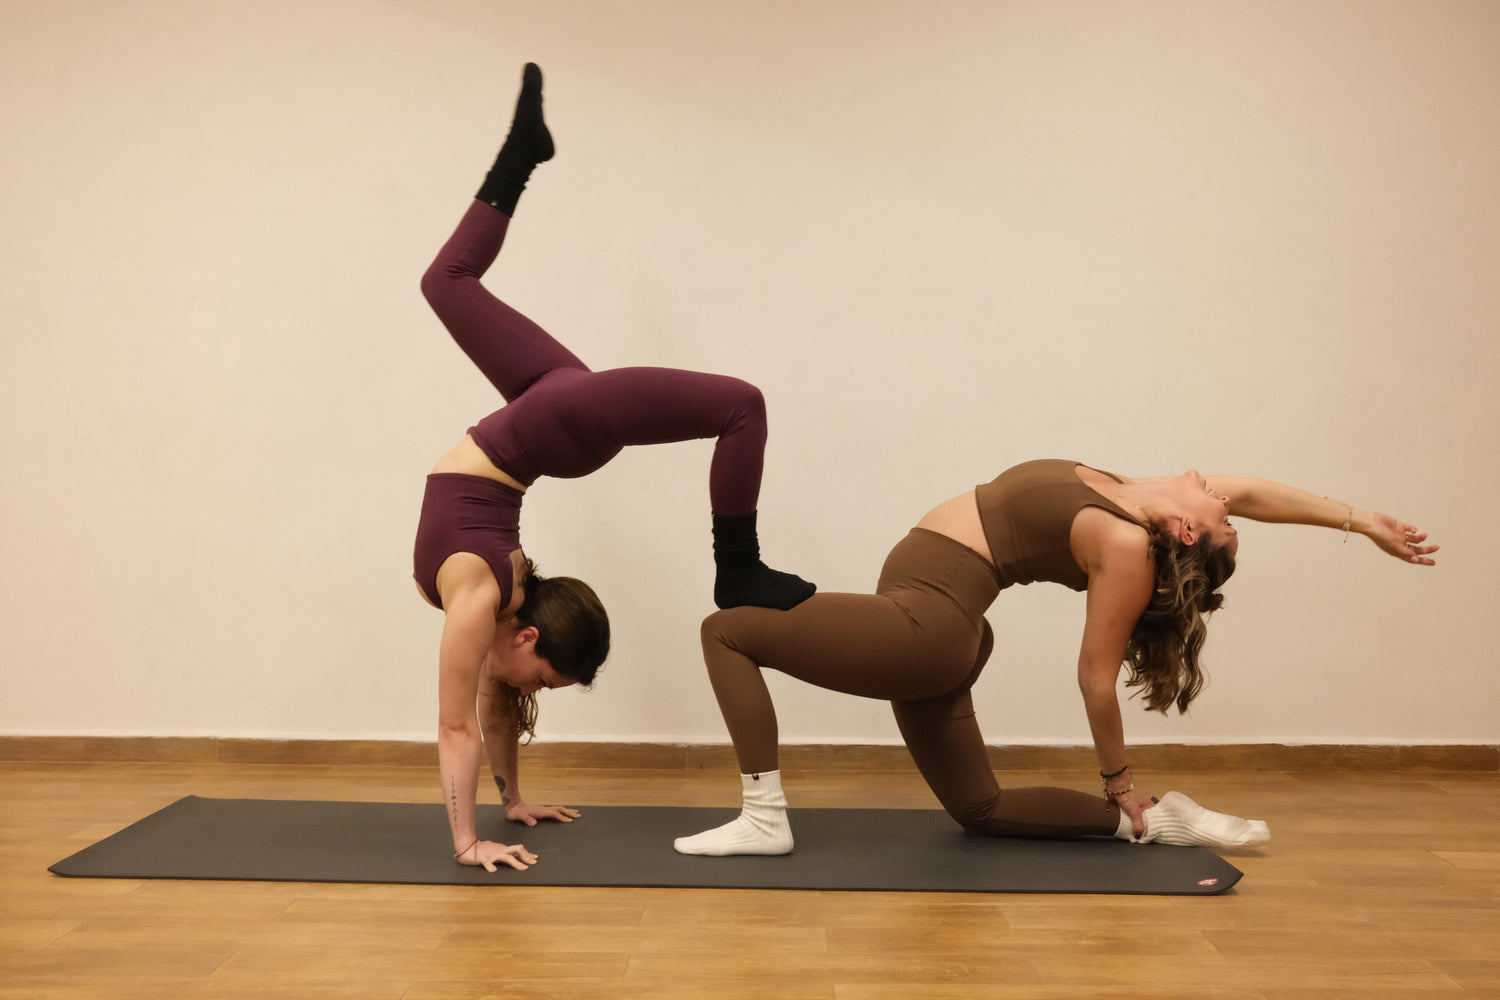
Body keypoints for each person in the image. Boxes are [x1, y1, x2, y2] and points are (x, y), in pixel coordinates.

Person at [416, 64, 815, 873]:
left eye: (541, 685)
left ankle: (522, 154)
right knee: (741, 406)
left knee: (446, 282)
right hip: (550, 425)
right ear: (529, 636)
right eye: (544, 682)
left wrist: (490, 822)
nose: (529, 689)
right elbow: (480, 711)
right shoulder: (491, 603)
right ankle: (523, 153)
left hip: (545, 418)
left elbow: (468, 718)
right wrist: (486, 825)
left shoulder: (486, 604)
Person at [674, 460, 1437, 856]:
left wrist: (1116, 778)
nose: (1228, 503)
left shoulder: (1129, 540)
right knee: (981, 812)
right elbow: (1255, 493)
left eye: (1225, 520)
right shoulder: (1132, 493)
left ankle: (762, 818)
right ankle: (1154, 823)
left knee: (726, 630)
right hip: (936, 627)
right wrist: (1361, 520)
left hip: (926, 628)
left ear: (1187, 532)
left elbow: (1095, 676)